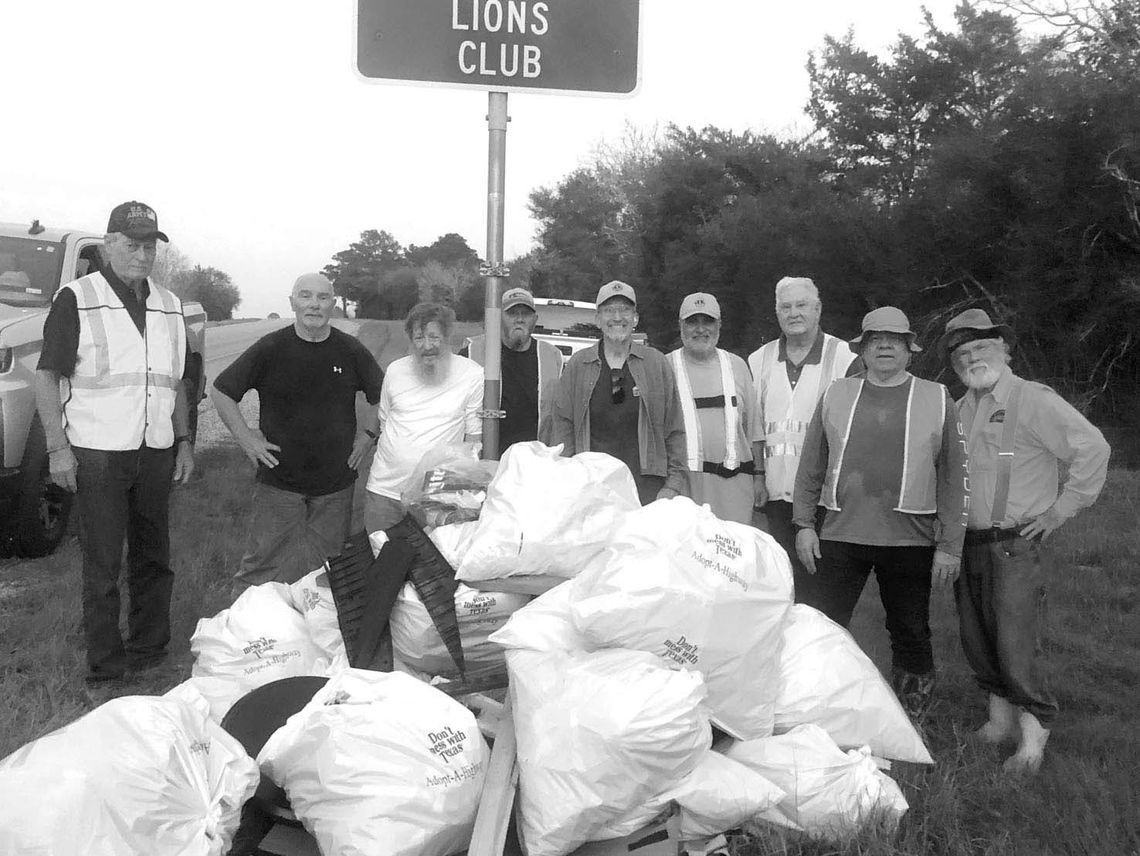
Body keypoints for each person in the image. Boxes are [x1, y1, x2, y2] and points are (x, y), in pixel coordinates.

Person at [942, 308, 1109, 774]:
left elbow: (1093, 448)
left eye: (981, 347)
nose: (972, 357)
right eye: (962, 352)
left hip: (1016, 544)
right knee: (978, 637)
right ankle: (999, 723)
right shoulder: (960, 408)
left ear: (1004, 350)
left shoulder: (1032, 399)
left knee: (1016, 641)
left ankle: (1034, 738)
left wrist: (1060, 510)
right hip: (970, 543)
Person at [34, 201, 194, 685]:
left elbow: (177, 381)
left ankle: (149, 651)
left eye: (150, 246)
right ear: (108, 245)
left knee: (154, 558)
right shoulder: (76, 298)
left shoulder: (169, 304)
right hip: (98, 452)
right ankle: (105, 668)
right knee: (103, 566)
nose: (142, 255)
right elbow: (47, 376)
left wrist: (184, 442)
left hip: (155, 449)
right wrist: (58, 449)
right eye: (131, 245)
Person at [793, 306, 968, 719]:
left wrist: (950, 546)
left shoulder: (937, 398)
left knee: (909, 630)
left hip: (910, 539)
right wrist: (803, 524)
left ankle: (910, 716)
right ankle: (815, 706)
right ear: (863, 349)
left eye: (895, 340)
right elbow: (810, 464)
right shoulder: (837, 392)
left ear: (910, 349)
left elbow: (955, 476)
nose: (885, 346)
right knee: (824, 627)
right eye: (875, 339)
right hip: (839, 533)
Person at [211, 273, 384, 589]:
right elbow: (222, 391)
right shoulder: (271, 348)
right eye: (306, 296)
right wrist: (246, 438)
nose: (314, 305)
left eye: (322, 298)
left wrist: (368, 437)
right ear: (292, 302)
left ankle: (314, 632)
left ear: (332, 304)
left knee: (329, 573)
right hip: (279, 483)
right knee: (258, 569)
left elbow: (383, 396)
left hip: (336, 483)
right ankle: (240, 634)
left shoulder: (350, 350)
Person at [748, 276, 857, 582]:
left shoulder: (845, 357)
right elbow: (753, 427)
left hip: (826, 497)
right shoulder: (759, 360)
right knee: (780, 582)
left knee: (822, 587)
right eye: (786, 307)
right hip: (775, 495)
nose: (794, 313)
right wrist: (758, 475)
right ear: (777, 312)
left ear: (818, 310)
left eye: (802, 305)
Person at [550, 280, 687, 505]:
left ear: (636, 318)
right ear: (598, 319)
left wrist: (673, 485)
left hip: (647, 488)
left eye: (624, 310)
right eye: (609, 310)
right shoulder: (579, 365)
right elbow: (563, 426)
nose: (617, 317)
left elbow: (675, 429)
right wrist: (568, 478)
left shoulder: (656, 363)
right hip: (592, 487)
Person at [364, 302, 483, 532]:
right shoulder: (395, 371)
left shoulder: (472, 374)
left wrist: (462, 495)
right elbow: (385, 422)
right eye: (419, 338)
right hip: (384, 491)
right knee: (381, 563)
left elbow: (473, 440)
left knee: (431, 565)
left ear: (447, 337)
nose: (427, 346)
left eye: (434, 337)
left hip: (436, 498)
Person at [668, 292, 760, 523]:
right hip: (683, 491)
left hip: (735, 492)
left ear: (719, 325)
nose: (700, 329)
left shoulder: (737, 366)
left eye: (707, 321)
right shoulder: (665, 366)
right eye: (692, 322)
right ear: (680, 325)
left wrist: (759, 477)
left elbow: (754, 430)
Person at [463, 287, 563, 449]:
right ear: (498, 318)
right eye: (512, 313)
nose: (519, 319)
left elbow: (562, 416)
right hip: (484, 460)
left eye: (526, 314)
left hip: (534, 461)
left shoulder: (552, 356)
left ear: (535, 319)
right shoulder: (472, 351)